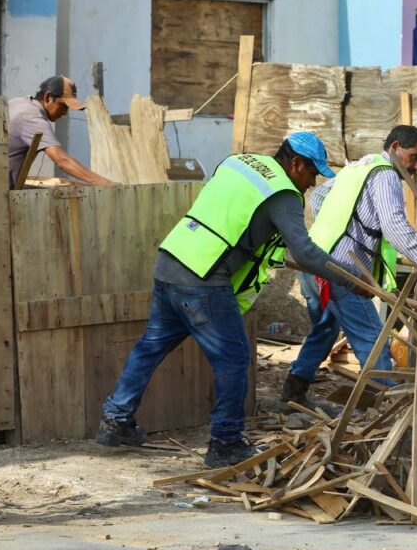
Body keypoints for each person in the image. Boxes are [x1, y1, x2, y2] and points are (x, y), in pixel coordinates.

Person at [95, 132, 345, 467]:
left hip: (172, 260)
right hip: (204, 278)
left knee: (151, 345)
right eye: (311, 174)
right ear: (296, 163)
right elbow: (306, 252)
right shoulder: (283, 193)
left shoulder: (239, 163)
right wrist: (347, 278)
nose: (311, 183)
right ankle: (225, 442)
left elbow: (235, 218)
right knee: (234, 359)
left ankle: (116, 420)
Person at [279, 125, 417, 410]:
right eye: (414, 157)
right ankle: (385, 405)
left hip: (314, 265)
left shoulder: (359, 167)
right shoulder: (385, 176)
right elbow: (395, 228)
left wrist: (337, 230)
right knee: (372, 336)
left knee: (325, 330)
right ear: (395, 147)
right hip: (342, 271)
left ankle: (293, 391)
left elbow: (319, 197)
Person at [8, 75, 117, 188]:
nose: (65, 112)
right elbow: (62, 160)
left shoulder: (17, 103)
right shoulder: (33, 118)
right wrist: (107, 184)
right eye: (63, 105)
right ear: (47, 97)